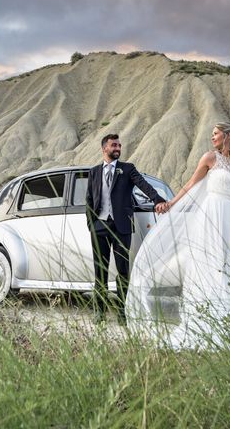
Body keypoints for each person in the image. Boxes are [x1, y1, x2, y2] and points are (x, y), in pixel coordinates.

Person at [126, 122, 230, 349]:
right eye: (211, 134)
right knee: (209, 263)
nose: (212, 137)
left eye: (215, 134)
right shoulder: (209, 158)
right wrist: (171, 203)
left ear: (228, 135)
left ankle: (224, 316)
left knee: (227, 263)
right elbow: (191, 184)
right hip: (211, 214)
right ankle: (202, 316)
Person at [86, 133, 167, 325]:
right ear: (104, 148)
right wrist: (91, 223)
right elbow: (89, 199)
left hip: (122, 226)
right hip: (99, 227)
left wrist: (158, 199)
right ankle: (100, 312)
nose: (118, 148)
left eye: (119, 145)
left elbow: (143, 184)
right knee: (100, 272)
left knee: (122, 271)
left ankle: (122, 312)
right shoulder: (94, 172)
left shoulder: (127, 169)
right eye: (114, 145)